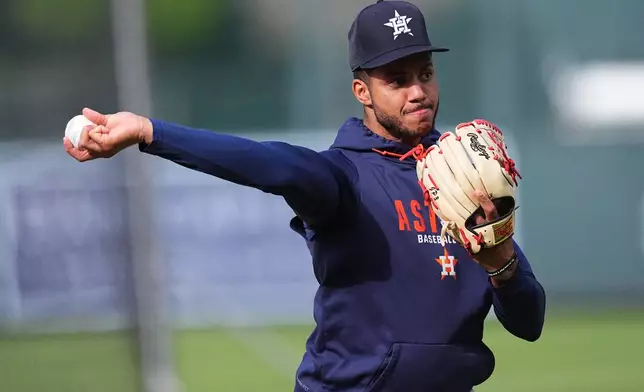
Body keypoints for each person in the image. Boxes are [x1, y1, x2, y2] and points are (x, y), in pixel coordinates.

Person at [64, 1, 546, 391]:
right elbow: (269, 163)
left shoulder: (463, 177)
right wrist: (150, 132)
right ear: (363, 90)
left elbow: (529, 322)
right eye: (396, 80)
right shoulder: (343, 177)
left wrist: (500, 262)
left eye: (424, 73)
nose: (416, 91)